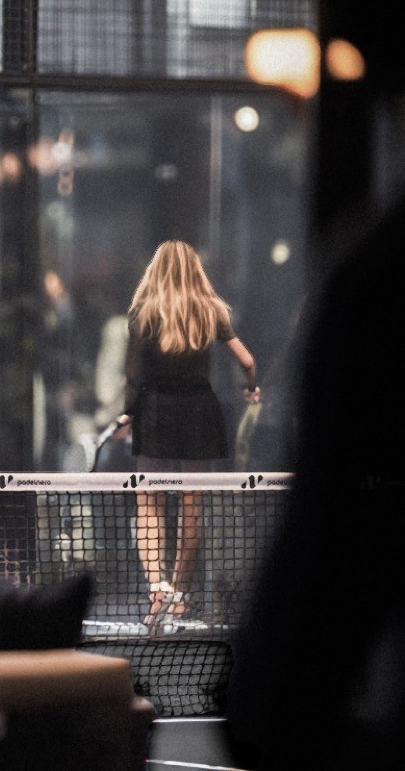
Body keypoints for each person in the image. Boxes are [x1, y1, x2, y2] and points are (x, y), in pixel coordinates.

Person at [109, 240, 259, 635]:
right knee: (192, 505)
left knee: (149, 502)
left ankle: (156, 591)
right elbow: (247, 360)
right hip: (199, 412)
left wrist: (126, 413)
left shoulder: (144, 313)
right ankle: (179, 592)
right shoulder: (211, 310)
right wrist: (251, 388)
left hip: (157, 412)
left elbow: (133, 376)